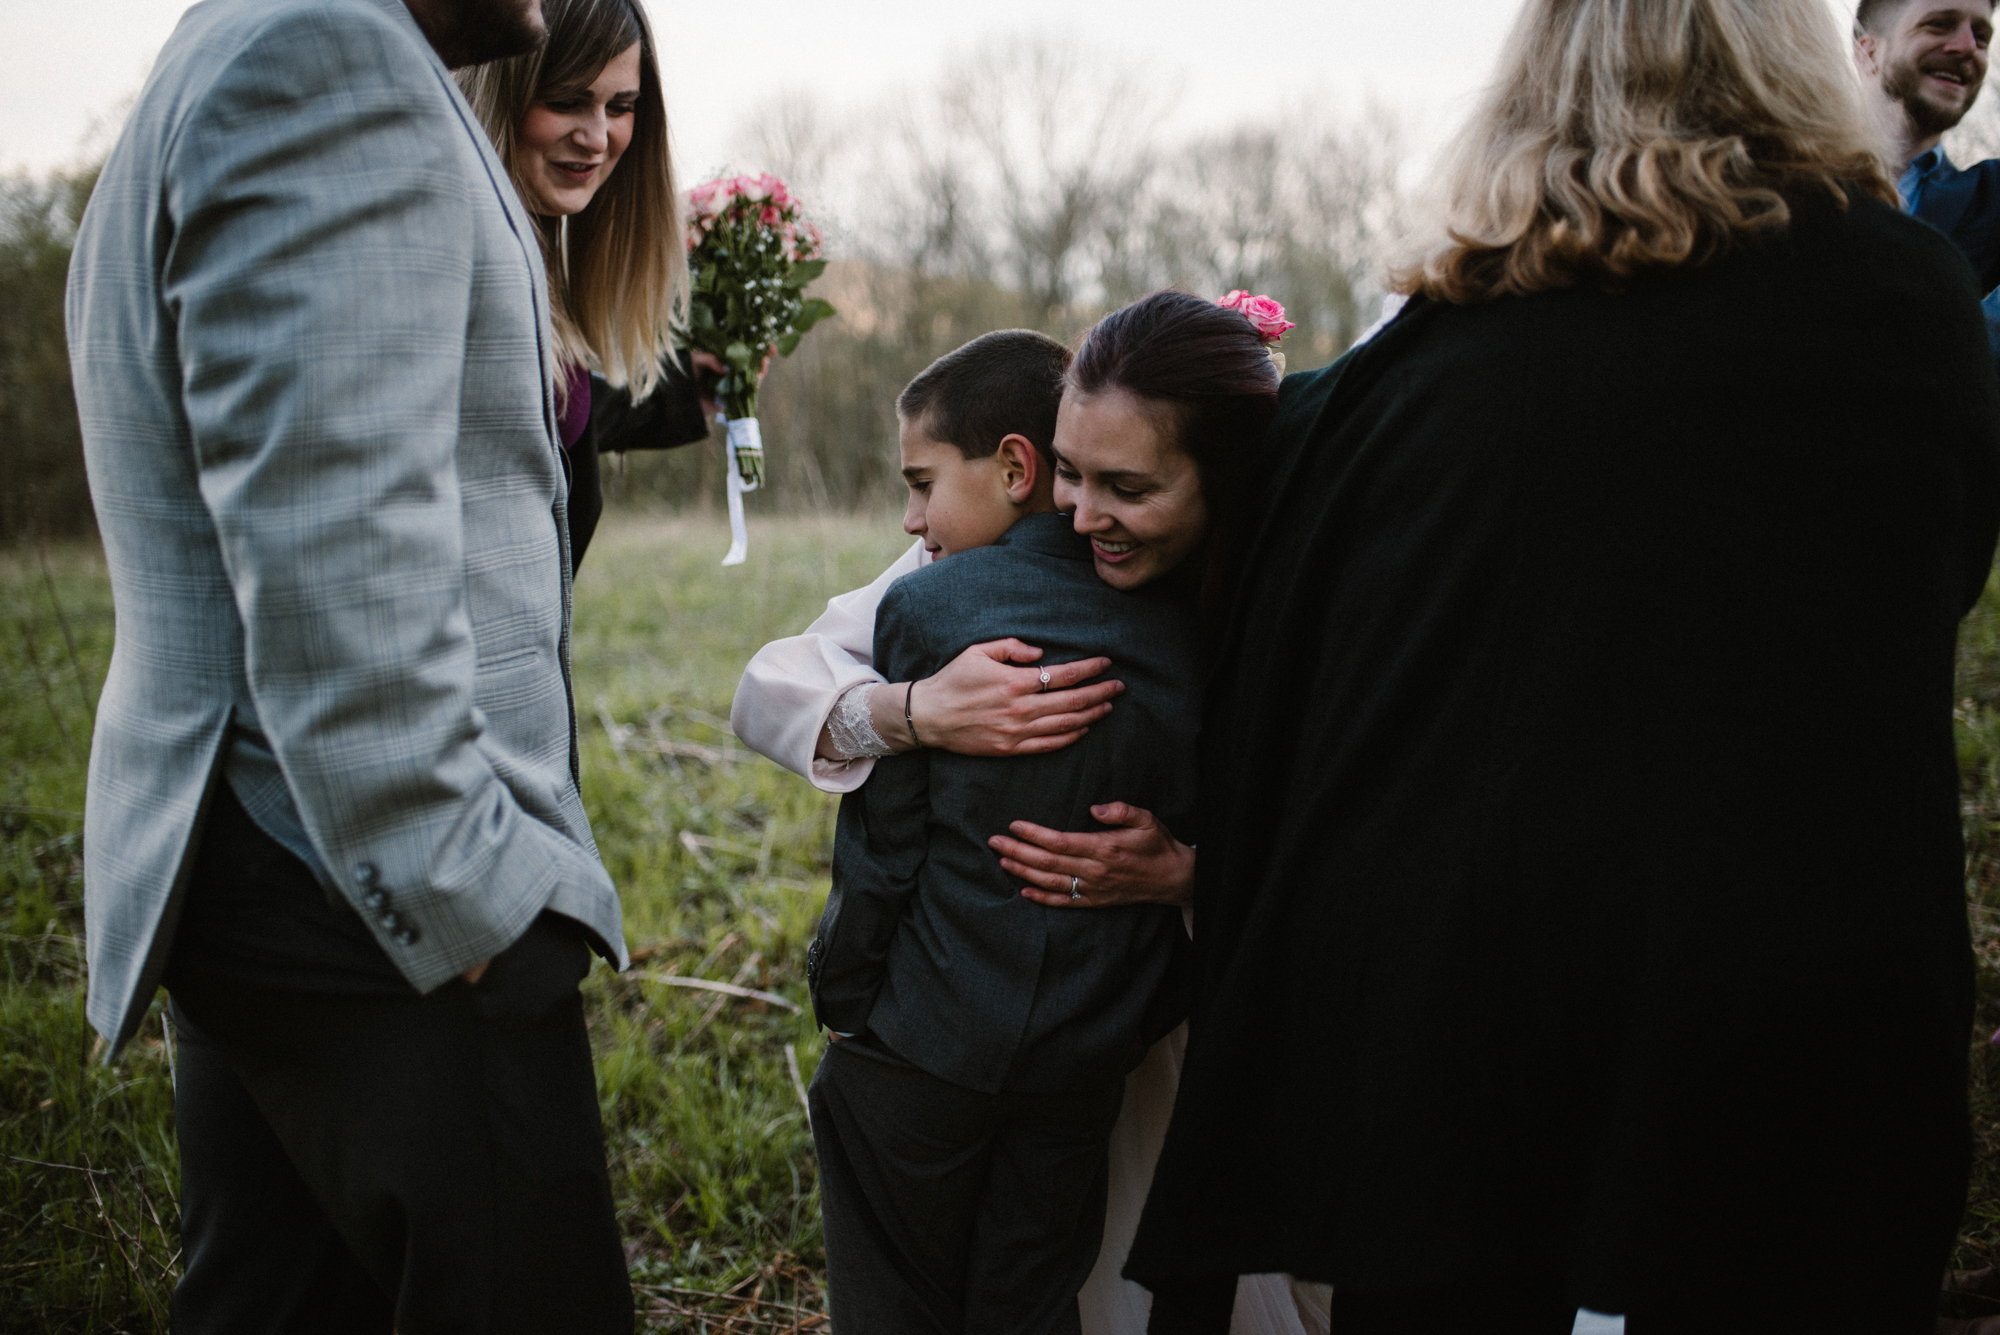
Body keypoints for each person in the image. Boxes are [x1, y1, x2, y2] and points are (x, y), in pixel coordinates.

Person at [1125, 0, 2000, 1332]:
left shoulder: (1423, 352)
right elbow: (1934, 581)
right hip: (1782, 974)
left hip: (1456, 1003)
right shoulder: (1906, 299)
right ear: (1801, 60)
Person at [66, 0, 635, 1329]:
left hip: (244, 851)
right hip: (367, 899)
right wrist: (461, 893)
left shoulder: (235, 34)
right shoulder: (322, 55)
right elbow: (337, 539)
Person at [734, 299, 1311, 1335]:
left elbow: (1335, 816)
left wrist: (1187, 871)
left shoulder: (1274, 592)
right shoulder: (946, 584)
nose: (1082, 515)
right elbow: (773, 684)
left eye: (1123, 487)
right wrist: (910, 713)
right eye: (1072, 476)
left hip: (1154, 1010)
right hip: (1077, 1024)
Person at [457, 0, 714, 571]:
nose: (598, 138)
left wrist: (683, 391)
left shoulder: (542, 259)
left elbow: (551, 410)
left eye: (620, 107)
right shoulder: (456, 267)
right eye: (567, 101)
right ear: (502, 93)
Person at [1855, 1, 2000, 353]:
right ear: (1869, 51)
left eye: (1981, 37)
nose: (1967, 47)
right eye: (1939, 25)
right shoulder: (1781, 189)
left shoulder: (1993, 200)